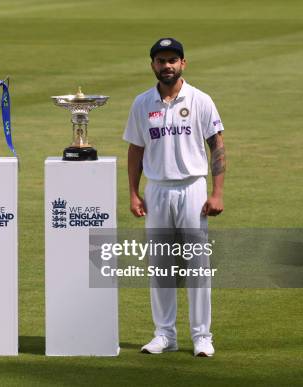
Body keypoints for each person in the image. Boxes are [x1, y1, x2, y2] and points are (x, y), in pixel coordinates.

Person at [123, 38, 226, 357]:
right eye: (160, 60)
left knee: (196, 265)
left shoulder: (200, 100)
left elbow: (217, 145)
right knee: (161, 265)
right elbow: (135, 150)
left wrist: (217, 191)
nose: (166, 65)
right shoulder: (142, 103)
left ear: (183, 63)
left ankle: (201, 336)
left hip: (192, 187)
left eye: (172, 60)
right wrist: (133, 193)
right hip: (157, 189)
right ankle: (165, 334)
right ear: (152, 65)